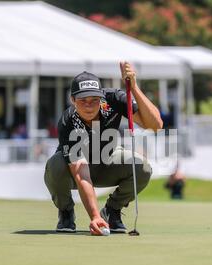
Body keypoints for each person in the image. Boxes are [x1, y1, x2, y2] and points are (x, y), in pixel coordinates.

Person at [44, 61, 163, 235]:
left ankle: (111, 211)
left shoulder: (114, 100)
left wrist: (134, 88)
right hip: (76, 171)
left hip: (107, 160)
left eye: (94, 100)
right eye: (82, 100)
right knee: (55, 165)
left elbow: (155, 125)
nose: (89, 105)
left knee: (143, 168)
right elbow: (81, 173)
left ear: (101, 97)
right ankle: (66, 212)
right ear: (72, 100)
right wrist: (93, 217)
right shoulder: (68, 121)